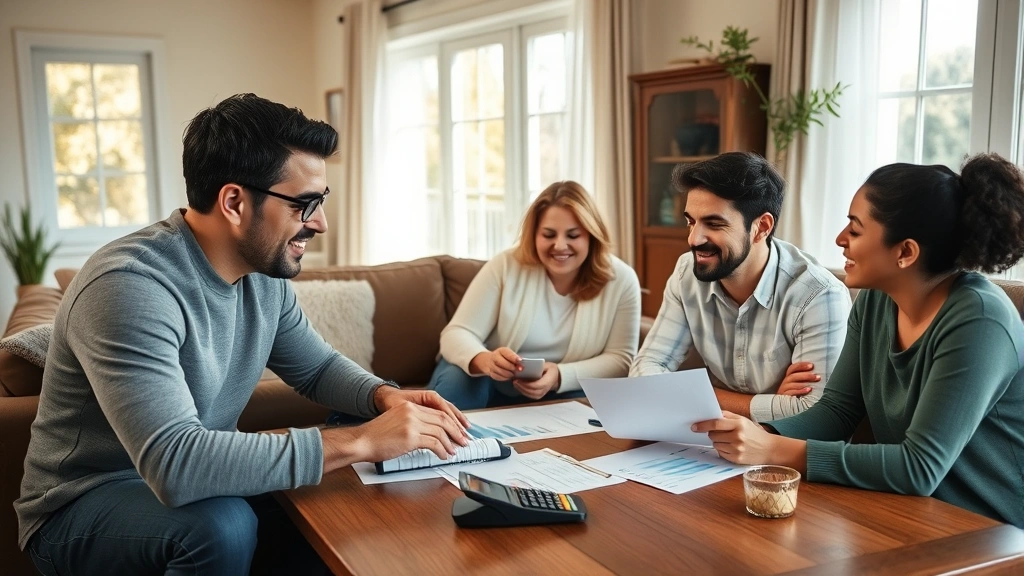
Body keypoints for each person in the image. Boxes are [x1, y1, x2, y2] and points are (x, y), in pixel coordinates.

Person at [16, 93, 471, 575]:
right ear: (234, 202)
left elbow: (316, 368)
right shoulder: (128, 287)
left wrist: (384, 399)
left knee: (341, 495)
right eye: (305, 204)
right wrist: (362, 441)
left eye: (322, 201)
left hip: (195, 483)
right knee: (223, 523)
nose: (320, 222)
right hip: (84, 504)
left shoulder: (262, 275)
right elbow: (175, 465)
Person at [694, 153, 1024, 527]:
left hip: (991, 531)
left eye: (855, 228)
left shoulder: (979, 319)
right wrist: (756, 435)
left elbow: (919, 468)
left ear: (905, 252)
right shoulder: (876, 300)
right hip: (907, 512)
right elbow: (836, 412)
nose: (840, 239)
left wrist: (773, 448)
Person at [630, 152, 852, 422]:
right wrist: (768, 404)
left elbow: (813, 414)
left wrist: (696, 394)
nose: (693, 239)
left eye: (713, 224)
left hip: (785, 457)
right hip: (708, 444)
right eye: (691, 221)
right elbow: (645, 372)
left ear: (761, 227)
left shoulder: (817, 295)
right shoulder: (686, 272)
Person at [430, 180, 641, 410]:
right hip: (488, 381)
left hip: (563, 388)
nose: (560, 246)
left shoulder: (622, 279)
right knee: (458, 384)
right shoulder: (505, 265)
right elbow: (456, 333)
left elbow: (621, 359)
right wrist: (486, 361)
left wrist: (560, 375)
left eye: (573, 235)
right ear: (534, 235)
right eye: (548, 235)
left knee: (592, 403)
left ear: (591, 236)